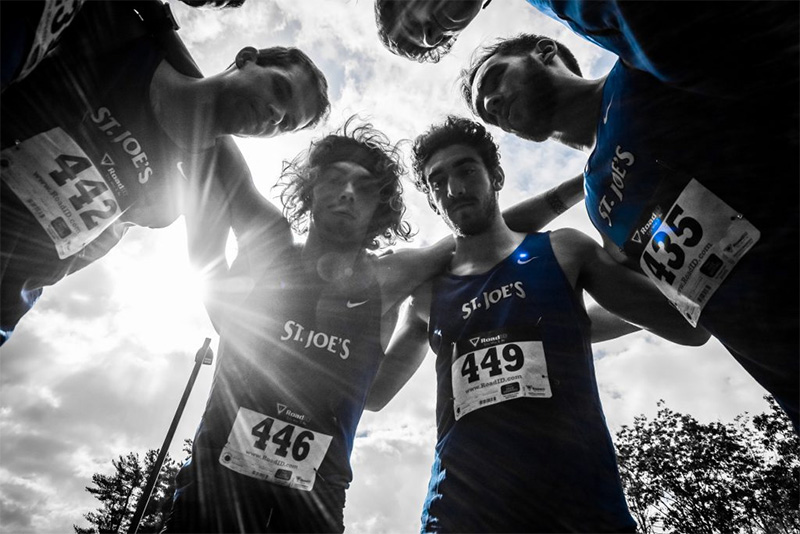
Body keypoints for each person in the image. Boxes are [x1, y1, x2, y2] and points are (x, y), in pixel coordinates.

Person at [377, 1, 800, 430]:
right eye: (487, 111)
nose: (491, 101)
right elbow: (688, 324)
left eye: (495, 77)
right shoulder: (601, 206)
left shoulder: (638, 70)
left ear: (544, 51)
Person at [164, 114, 594, 532]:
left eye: (365, 188)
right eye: (334, 179)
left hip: (312, 508)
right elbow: (208, 121)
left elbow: (486, 232)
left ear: (380, 208)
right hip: (211, 496)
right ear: (310, 188)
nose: (347, 193)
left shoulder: (388, 278)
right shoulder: (268, 248)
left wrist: (583, 184)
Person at [368, 117, 708, 532]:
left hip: (580, 506)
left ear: (496, 177)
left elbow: (688, 324)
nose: (453, 189)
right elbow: (374, 394)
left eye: (466, 170)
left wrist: (638, 234)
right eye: (437, 181)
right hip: (462, 513)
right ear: (432, 200)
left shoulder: (564, 250)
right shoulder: (425, 296)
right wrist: (378, 301)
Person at [0, 0, 330, 345]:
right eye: (280, 89)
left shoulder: (198, 187)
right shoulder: (120, 39)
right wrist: (160, 24)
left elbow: (217, 272)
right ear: (246, 58)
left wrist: (277, 342)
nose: (276, 115)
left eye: (286, 124)